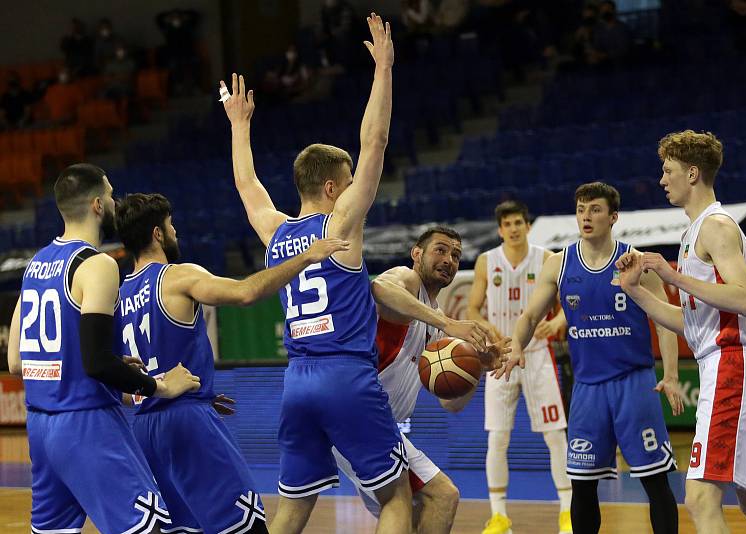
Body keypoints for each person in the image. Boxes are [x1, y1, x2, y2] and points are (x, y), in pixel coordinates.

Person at [221, 14, 411, 534]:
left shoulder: (276, 234)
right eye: (348, 182)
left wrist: (240, 124)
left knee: (294, 507)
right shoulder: (342, 223)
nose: (356, 188)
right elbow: (374, 143)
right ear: (333, 189)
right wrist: (384, 70)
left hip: (297, 383)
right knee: (397, 500)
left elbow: (245, 183)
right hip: (346, 375)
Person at [114, 192, 348, 533]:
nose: (175, 231)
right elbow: (245, 293)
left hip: (145, 429)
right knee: (246, 527)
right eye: (171, 225)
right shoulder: (177, 276)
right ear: (157, 234)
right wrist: (306, 257)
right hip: (187, 420)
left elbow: (118, 375)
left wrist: (193, 393)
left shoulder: (119, 296)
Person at [615, 130, 746, 534]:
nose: (662, 180)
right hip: (726, 362)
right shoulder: (692, 232)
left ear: (693, 173)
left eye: (668, 171)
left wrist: (671, 276)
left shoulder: (715, 226)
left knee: (699, 498)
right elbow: (692, 324)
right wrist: (635, 291)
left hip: (732, 364)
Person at [6, 163, 200, 533]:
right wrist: (159, 386)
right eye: (111, 195)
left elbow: (16, 361)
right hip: (86, 423)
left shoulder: (34, 265)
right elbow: (96, 362)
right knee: (147, 527)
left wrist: (106, 366)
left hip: (41, 429)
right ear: (97, 205)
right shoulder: (97, 265)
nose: (115, 202)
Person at [496, 182, 682, 534]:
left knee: (654, 480)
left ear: (613, 217)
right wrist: (517, 345)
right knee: (582, 484)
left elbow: (665, 323)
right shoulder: (559, 264)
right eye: (581, 209)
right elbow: (529, 316)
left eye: (595, 209)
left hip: (634, 382)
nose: (586, 216)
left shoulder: (636, 262)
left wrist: (670, 375)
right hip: (587, 389)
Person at [335, 226, 507, 533]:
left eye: (455, 255)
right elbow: (379, 289)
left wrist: (477, 367)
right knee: (442, 496)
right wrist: (448, 323)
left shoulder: (436, 322)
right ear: (417, 254)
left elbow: (449, 404)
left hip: (375, 427)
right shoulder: (408, 280)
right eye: (440, 250)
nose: (449, 260)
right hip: (361, 418)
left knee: (413, 516)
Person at [467, 200, 572, 534]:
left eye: (518, 223)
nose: (513, 228)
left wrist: (556, 322)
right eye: (507, 224)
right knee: (498, 438)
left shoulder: (547, 259)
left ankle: (568, 512)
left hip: (538, 353)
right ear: (500, 230)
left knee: (556, 437)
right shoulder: (486, 261)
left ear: (528, 226)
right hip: (500, 356)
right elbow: (471, 309)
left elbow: (571, 302)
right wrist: (486, 327)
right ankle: (498, 516)